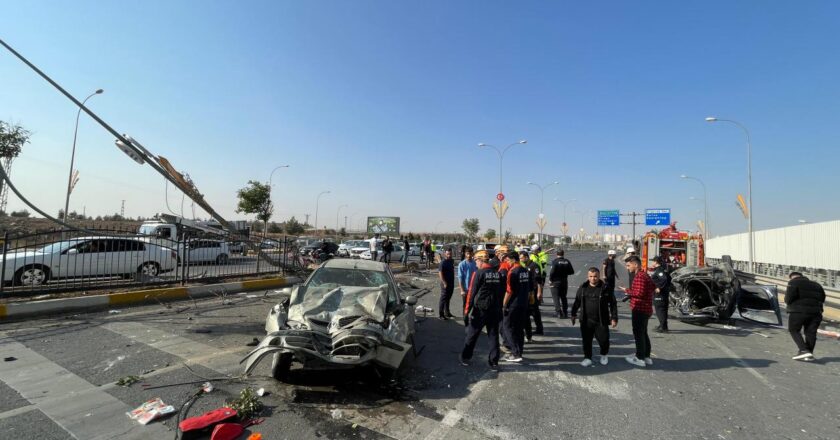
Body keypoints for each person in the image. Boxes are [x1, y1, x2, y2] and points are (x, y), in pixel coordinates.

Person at [461, 250, 504, 369]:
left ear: (480, 260)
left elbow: (471, 293)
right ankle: (494, 361)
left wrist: (466, 311)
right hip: (495, 309)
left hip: (480, 310)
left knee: (472, 335)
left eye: (476, 261)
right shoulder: (497, 273)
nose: (475, 264)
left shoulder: (479, 273)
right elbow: (501, 292)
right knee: (493, 336)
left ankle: (466, 357)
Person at [571, 267, 618, 367]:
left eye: (595, 276)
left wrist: (614, 317)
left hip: (601, 320)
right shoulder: (583, 288)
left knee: (604, 340)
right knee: (586, 341)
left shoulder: (605, 288)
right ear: (588, 277)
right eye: (591, 276)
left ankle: (604, 355)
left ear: (599, 276)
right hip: (586, 320)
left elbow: (613, 303)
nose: (593, 278)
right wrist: (573, 314)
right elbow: (577, 302)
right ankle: (587, 357)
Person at [619, 256, 655, 367]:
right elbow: (653, 287)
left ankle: (639, 358)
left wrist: (627, 291)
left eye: (629, 265)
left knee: (639, 334)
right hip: (646, 308)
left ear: (636, 265)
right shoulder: (645, 275)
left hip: (640, 309)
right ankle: (646, 356)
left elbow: (639, 293)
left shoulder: (639, 276)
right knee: (643, 333)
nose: (627, 267)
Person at [785, 272, 826, 361]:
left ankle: (803, 350)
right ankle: (809, 353)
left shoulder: (793, 282)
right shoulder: (817, 285)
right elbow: (822, 298)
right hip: (816, 312)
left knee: (794, 330)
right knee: (811, 333)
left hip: (798, 311)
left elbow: (788, 299)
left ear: (792, 277)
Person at [502, 251, 531, 363]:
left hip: (514, 304)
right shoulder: (525, 270)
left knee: (507, 326)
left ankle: (515, 353)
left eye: (508, 260)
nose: (507, 262)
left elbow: (509, 291)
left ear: (513, 259)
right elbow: (528, 289)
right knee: (519, 328)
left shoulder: (512, 272)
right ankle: (519, 353)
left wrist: (504, 304)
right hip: (523, 303)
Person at [521, 250, 544, 341]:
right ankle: (537, 329)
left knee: (534, 311)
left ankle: (539, 329)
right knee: (532, 311)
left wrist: (539, 292)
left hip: (534, 292)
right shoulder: (526, 266)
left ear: (527, 257)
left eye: (522, 258)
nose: (521, 260)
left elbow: (539, 281)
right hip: (529, 291)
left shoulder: (534, 266)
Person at [548, 249, 575, 318]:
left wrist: (550, 279)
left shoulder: (555, 261)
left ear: (557, 254)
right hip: (564, 281)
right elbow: (572, 272)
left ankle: (558, 312)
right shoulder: (567, 261)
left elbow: (552, 272)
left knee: (556, 298)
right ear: (563, 254)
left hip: (555, 282)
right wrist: (565, 273)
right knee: (563, 297)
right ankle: (565, 312)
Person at [650, 256, 672, 333]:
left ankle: (663, 328)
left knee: (660, 310)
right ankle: (663, 325)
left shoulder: (659, 270)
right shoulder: (662, 269)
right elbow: (669, 278)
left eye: (653, 261)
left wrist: (659, 287)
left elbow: (665, 279)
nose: (652, 263)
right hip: (664, 293)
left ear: (656, 262)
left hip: (660, 294)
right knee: (663, 310)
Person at [457, 247, 477, 325]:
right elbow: (460, 278)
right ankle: (465, 320)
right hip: (465, 289)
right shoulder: (462, 264)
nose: (469, 255)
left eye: (470, 253)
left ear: (472, 254)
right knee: (466, 306)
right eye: (467, 253)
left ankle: (474, 320)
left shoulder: (475, 263)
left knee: (475, 305)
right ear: (465, 254)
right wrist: (462, 290)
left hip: (474, 289)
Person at [438, 248, 456, 320]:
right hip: (445, 283)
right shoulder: (443, 262)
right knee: (443, 298)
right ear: (445, 253)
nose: (449, 255)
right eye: (448, 254)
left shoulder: (451, 261)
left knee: (448, 298)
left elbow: (452, 269)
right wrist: (444, 282)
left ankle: (447, 312)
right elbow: (440, 273)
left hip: (451, 282)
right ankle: (441, 314)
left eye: (450, 254)